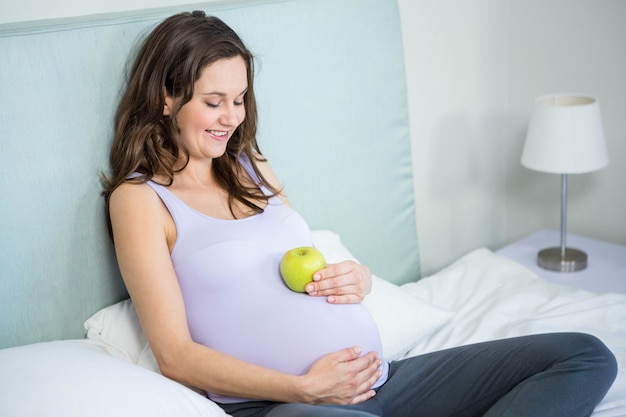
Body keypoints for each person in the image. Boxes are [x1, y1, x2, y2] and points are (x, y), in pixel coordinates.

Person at [103, 11, 617, 417]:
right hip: (287, 404)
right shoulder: (141, 199)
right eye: (214, 102)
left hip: (380, 379)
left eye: (239, 99)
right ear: (166, 98)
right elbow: (175, 355)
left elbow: (294, 272)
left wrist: (360, 280)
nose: (232, 118)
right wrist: (304, 387)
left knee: (585, 355)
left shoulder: (249, 164)